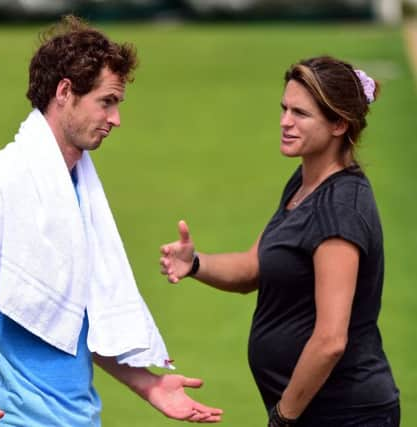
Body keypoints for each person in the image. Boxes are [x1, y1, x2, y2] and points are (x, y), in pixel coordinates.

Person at [0, 15, 223, 427]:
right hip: (8, 419)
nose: (115, 118)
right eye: (106, 101)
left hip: (78, 417)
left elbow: (68, 318)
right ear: (65, 91)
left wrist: (150, 385)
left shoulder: (76, 190)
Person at [160, 56, 400, 426]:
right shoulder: (305, 184)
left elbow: (331, 339)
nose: (285, 122)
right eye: (284, 108)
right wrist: (195, 264)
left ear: (339, 123)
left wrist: (284, 417)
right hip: (312, 411)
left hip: (343, 414)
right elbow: (255, 265)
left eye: (301, 114)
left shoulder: (340, 211)